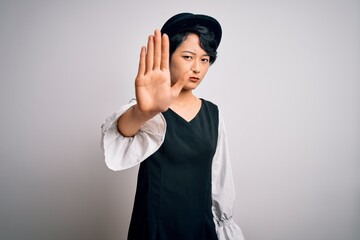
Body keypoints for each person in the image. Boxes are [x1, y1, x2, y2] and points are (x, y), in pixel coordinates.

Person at [101, 12, 245, 240]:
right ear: (166, 56)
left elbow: (219, 180)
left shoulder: (213, 114)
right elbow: (120, 136)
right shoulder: (148, 110)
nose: (197, 68)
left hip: (201, 230)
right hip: (155, 231)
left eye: (205, 59)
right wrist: (143, 112)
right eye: (188, 57)